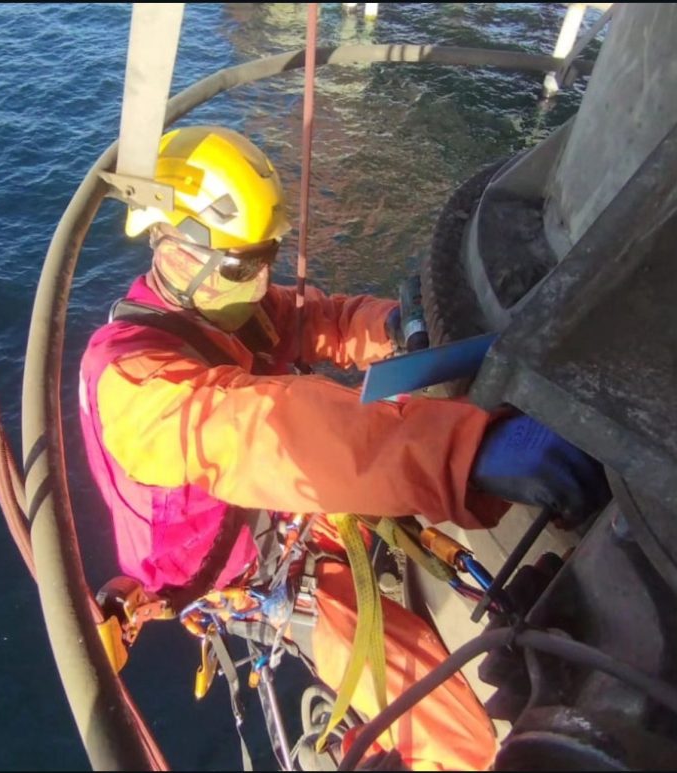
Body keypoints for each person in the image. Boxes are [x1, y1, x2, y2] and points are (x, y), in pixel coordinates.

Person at [79, 125, 610, 770]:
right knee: (452, 736)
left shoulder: (222, 306)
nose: (261, 280)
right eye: (244, 265)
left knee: (402, 426)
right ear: (178, 253)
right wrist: (468, 453)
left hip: (283, 521)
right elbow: (270, 434)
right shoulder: (136, 385)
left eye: (265, 256)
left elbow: (312, 321)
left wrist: (392, 326)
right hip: (254, 573)